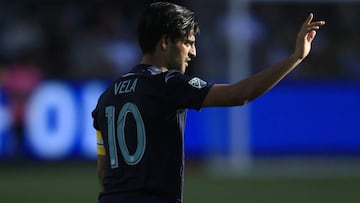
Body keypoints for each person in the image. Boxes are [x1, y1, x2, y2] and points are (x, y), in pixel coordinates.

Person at [91, 2, 325, 203]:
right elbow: (240, 94)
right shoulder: (167, 83)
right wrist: (296, 58)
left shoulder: (107, 96)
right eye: (188, 42)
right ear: (164, 42)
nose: (193, 51)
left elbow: (104, 172)